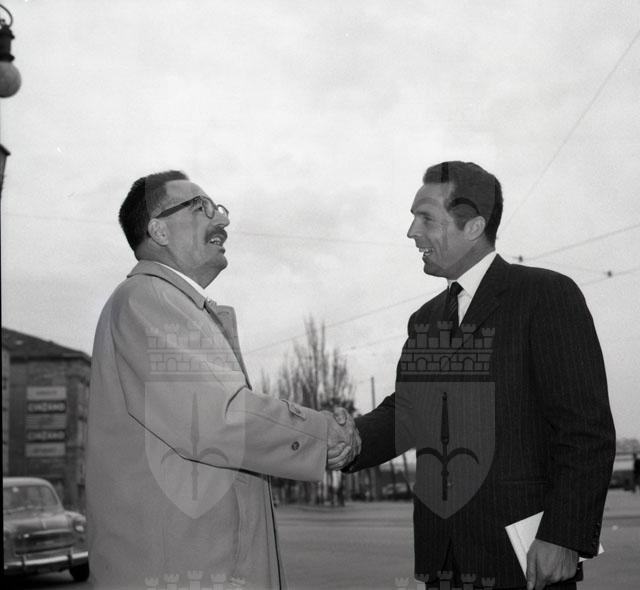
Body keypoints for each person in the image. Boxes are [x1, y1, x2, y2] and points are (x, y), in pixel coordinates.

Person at [340, 161, 615, 590]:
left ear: (473, 226)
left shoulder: (545, 295)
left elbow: (586, 431)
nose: (411, 232)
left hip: (523, 559)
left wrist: (564, 536)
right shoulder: (425, 319)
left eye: (426, 218)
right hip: (442, 556)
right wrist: (349, 439)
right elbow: (407, 415)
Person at [86, 171, 359, 589]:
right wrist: (322, 434)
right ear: (158, 230)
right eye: (201, 207)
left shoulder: (176, 305)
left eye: (218, 208)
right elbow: (215, 418)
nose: (222, 220)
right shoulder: (147, 299)